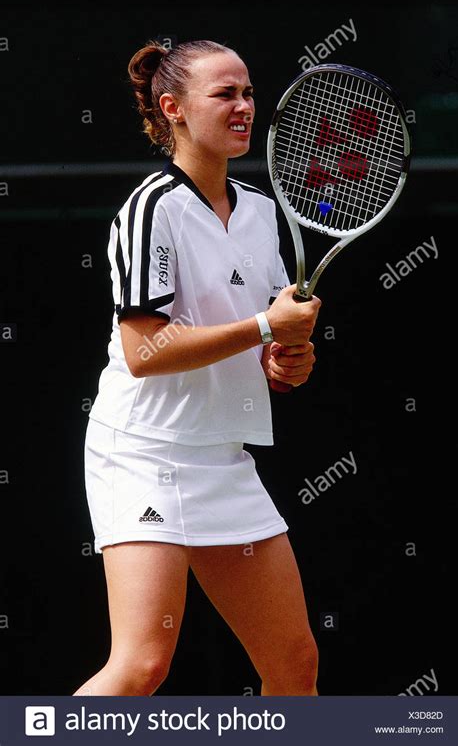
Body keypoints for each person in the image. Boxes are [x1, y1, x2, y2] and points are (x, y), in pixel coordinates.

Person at [73, 38, 322, 697]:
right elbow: (143, 352)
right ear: (172, 108)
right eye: (224, 94)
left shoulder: (264, 212)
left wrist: (287, 357)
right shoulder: (150, 209)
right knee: (140, 668)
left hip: (224, 457)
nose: (243, 106)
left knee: (295, 668)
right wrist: (268, 325)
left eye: (247, 93)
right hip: (143, 455)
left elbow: (268, 356)